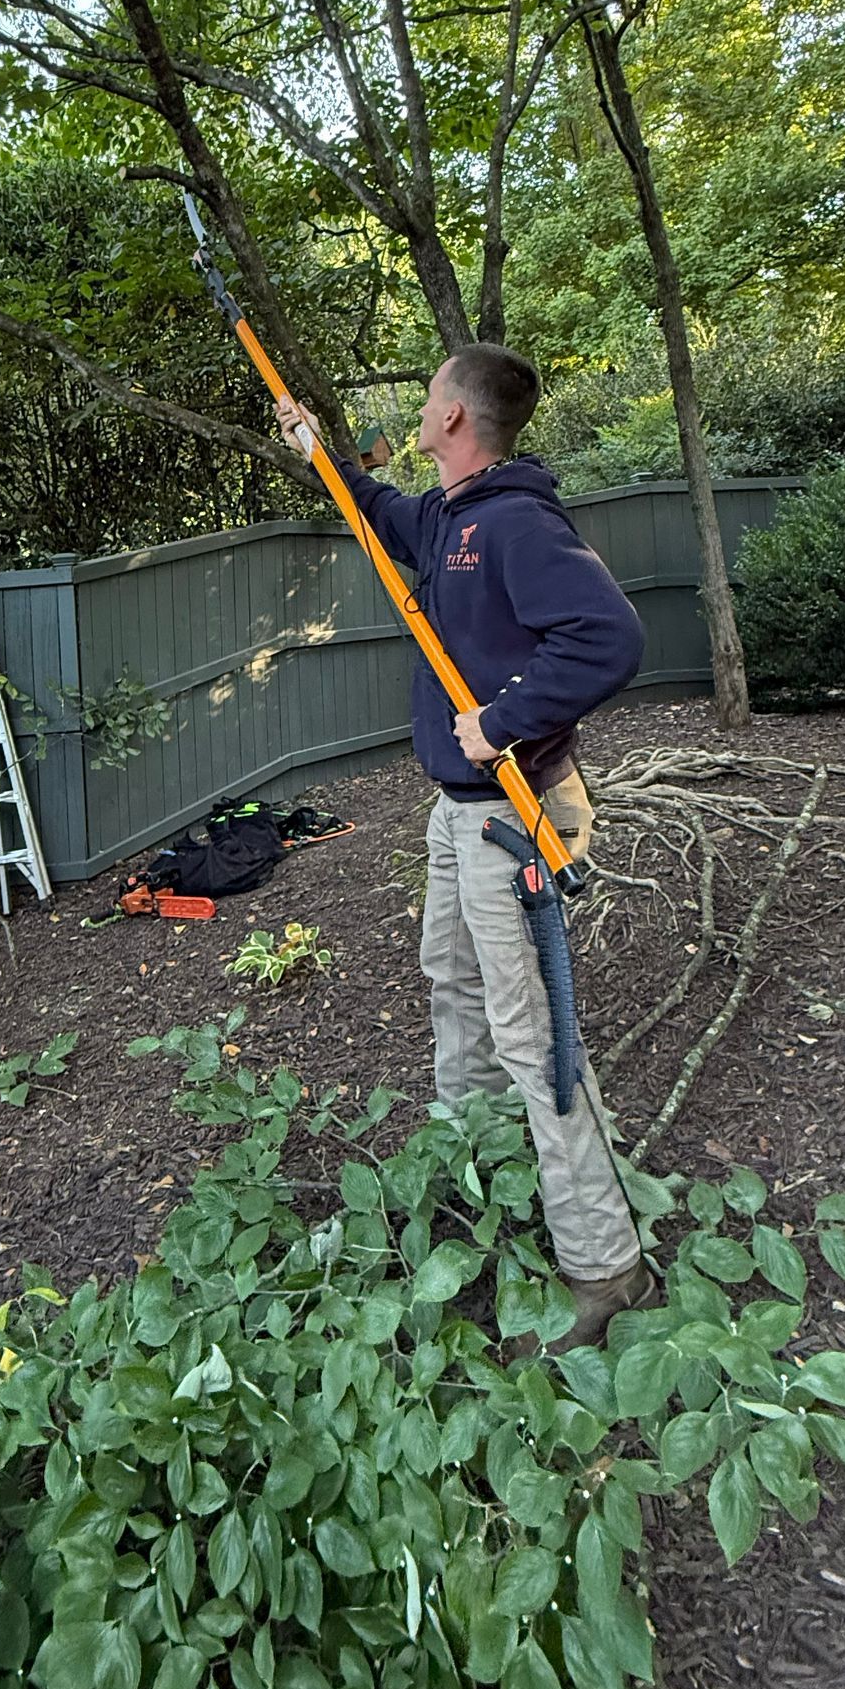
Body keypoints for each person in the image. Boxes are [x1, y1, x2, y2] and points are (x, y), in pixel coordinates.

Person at [277, 345, 655, 1348]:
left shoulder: (518, 524)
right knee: (450, 978)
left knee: (534, 1035)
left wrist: (508, 716)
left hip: (514, 812)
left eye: (430, 394)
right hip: (457, 811)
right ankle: (478, 1172)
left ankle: (603, 1260)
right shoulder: (449, 515)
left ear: (453, 418)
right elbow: (379, 513)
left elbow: (610, 638)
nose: (420, 405)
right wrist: (318, 449)